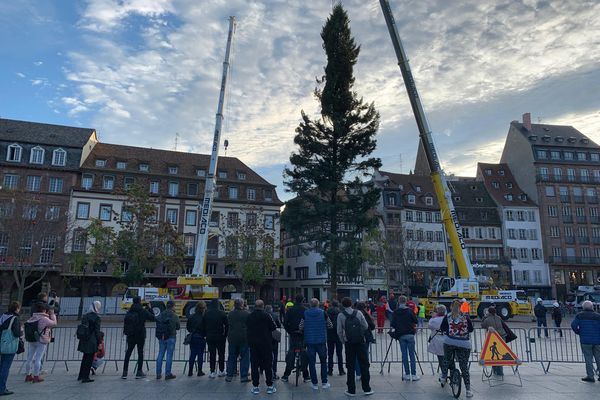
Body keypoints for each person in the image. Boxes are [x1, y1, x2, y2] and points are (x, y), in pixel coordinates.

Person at [337, 297, 374, 397]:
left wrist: (343, 340)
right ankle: (367, 388)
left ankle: (351, 390)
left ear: (343, 305)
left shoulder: (340, 315)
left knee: (350, 366)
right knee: (364, 364)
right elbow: (366, 326)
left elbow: (339, 331)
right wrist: (360, 333)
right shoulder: (358, 313)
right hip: (360, 341)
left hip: (349, 343)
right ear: (351, 304)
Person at [440, 299, 474, 398]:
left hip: (449, 341)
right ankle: (468, 390)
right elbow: (470, 329)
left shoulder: (448, 316)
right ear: (460, 307)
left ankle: (443, 377)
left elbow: (443, 328)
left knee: (446, 359)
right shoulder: (465, 316)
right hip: (464, 344)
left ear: (451, 307)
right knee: (464, 366)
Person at [299, 298, 332, 390]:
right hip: (321, 341)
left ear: (310, 304)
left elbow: (300, 326)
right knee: (323, 362)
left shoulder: (305, 313)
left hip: (309, 341)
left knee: (311, 363)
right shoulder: (323, 313)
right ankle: (324, 382)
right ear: (318, 304)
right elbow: (330, 325)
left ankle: (314, 383)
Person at [246, 300, 277, 395]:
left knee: (254, 366)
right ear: (263, 306)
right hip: (266, 344)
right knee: (268, 365)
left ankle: (255, 387)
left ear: (255, 306)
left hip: (254, 344)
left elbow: (247, 326)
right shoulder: (267, 315)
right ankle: (270, 386)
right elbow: (274, 327)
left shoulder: (250, 316)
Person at [122, 296, 155, 379]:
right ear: (140, 302)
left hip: (131, 335)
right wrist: (150, 309)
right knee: (140, 353)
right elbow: (153, 318)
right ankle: (139, 372)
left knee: (128, 352)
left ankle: (124, 372)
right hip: (140, 335)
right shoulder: (142, 311)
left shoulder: (129, 311)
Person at [24, 303, 57, 383]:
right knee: (38, 358)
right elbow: (54, 323)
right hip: (41, 340)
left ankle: (28, 375)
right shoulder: (44, 319)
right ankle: (36, 376)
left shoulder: (32, 317)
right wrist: (53, 315)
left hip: (32, 339)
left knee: (29, 358)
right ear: (45, 310)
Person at [281, 294, 309, 382]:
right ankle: (306, 375)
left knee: (291, 353)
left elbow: (285, 322)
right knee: (303, 353)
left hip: (293, 334)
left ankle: (286, 374)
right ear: (303, 300)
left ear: (294, 300)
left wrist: (289, 331)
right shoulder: (306, 310)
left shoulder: (290, 310)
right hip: (303, 334)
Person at [390, 295, 419, 381]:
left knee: (404, 355)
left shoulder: (396, 312)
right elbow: (416, 321)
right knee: (412, 355)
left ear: (399, 301)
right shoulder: (410, 311)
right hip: (410, 334)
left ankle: (407, 373)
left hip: (401, 335)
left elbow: (393, 324)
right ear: (406, 301)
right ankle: (413, 374)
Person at [571, 300, 600, 382]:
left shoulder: (580, 315)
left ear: (583, 307)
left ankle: (590, 376)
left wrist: (578, 332)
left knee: (588, 358)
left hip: (585, 341)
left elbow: (573, 325)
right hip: (597, 341)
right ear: (592, 307)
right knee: (598, 357)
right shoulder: (598, 316)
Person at [0, 301, 22, 396]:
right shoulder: (15, 318)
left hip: (1, 342)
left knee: (2, 366)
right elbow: (16, 333)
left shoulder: (2, 316)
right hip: (9, 345)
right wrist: (21, 332)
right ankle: (2, 388)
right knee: (5, 367)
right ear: (17, 308)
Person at [202, 299, 228, 378]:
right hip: (220, 337)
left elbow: (203, 325)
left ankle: (212, 371)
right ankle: (221, 370)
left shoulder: (206, 314)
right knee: (221, 354)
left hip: (210, 336)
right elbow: (227, 325)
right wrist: (225, 335)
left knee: (212, 354)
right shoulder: (222, 313)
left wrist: (205, 334)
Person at [226, 299, 250, 382]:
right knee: (244, 357)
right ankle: (244, 376)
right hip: (244, 338)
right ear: (242, 305)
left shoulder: (230, 314)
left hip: (232, 338)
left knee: (231, 357)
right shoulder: (246, 314)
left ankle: (229, 375)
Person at [77, 301, 101, 383]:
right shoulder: (97, 317)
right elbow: (97, 331)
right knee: (89, 359)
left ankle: (81, 375)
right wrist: (100, 342)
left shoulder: (86, 316)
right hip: (92, 340)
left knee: (84, 358)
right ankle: (86, 376)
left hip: (84, 339)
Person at [155, 300, 180, 380]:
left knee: (160, 354)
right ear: (173, 306)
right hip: (171, 337)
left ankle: (158, 373)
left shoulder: (160, 315)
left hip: (162, 337)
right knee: (169, 355)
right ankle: (167, 374)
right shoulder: (174, 315)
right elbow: (178, 327)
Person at [481, 306, 507, 377]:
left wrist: (484, 317)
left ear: (488, 312)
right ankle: (500, 371)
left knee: (494, 356)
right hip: (502, 337)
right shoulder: (499, 317)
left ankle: (495, 369)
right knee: (500, 355)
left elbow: (482, 325)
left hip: (493, 338)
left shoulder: (487, 319)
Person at [354, 302, 375, 378]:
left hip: (355, 337)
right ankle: (364, 372)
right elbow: (372, 326)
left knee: (356, 355)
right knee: (365, 355)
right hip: (365, 337)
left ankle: (358, 373)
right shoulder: (365, 314)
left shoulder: (353, 314)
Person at [187, 301, 207, 377]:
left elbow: (188, 327)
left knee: (192, 354)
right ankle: (199, 371)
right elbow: (206, 328)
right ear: (203, 309)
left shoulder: (191, 317)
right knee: (200, 354)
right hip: (201, 337)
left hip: (193, 337)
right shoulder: (204, 317)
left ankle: (190, 371)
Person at [326, 300, 345, 376]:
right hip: (338, 335)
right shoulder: (340, 313)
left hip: (330, 335)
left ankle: (330, 370)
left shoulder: (327, 312)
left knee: (330, 354)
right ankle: (341, 370)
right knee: (339, 353)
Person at [426, 305, 447, 375]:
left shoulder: (434, 320)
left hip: (438, 340)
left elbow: (429, 326)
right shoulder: (448, 319)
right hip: (447, 340)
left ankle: (444, 373)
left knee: (440, 358)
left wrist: (432, 317)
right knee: (448, 358)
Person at [265, 305, 282, 380]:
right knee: (274, 356)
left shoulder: (263, 315)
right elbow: (279, 325)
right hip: (273, 338)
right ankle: (273, 373)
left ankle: (263, 369)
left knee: (264, 355)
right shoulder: (275, 315)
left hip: (264, 338)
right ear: (271, 309)